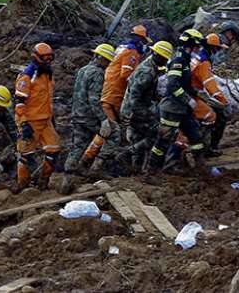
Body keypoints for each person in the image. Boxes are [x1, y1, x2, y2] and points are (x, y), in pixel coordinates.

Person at [147, 29, 207, 173]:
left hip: (183, 109)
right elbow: (173, 84)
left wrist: (197, 93)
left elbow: (185, 85)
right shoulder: (178, 61)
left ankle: (201, 168)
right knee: (163, 141)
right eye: (197, 46)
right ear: (191, 45)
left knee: (195, 135)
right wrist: (188, 99)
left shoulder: (185, 61)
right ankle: (151, 171)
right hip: (172, 109)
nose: (198, 50)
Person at [59, 44, 115, 194]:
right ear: (101, 58)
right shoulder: (97, 73)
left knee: (78, 146)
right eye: (108, 60)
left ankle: (67, 179)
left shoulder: (83, 70)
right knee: (115, 133)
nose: (109, 63)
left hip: (77, 114)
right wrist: (104, 119)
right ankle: (96, 168)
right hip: (89, 117)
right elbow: (94, 100)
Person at [99, 25, 152, 170]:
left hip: (110, 90)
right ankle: (96, 163)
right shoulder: (131, 52)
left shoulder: (122, 48)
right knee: (111, 131)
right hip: (115, 94)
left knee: (112, 129)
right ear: (140, 40)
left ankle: (99, 161)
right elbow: (126, 74)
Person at [117, 41, 174, 173]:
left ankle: (135, 171)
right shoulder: (147, 72)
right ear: (157, 55)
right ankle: (127, 154)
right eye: (164, 58)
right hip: (136, 110)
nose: (165, 62)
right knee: (159, 133)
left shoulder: (151, 67)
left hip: (136, 109)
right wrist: (132, 115)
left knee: (138, 138)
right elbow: (134, 96)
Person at [14, 42, 60, 192]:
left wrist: (51, 117)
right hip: (31, 121)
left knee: (53, 150)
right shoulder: (27, 76)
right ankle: (22, 185)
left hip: (46, 120)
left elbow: (47, 98)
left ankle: (43, 182)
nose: (48, 60)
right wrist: (23, 123)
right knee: (26, 154)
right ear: (36, 57)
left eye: (50, 57)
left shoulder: (48, 74)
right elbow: (19, 103)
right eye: (45, 57)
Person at [191, 33, 232, 156]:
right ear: (213, 48)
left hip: (190, 91)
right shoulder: (204, 63)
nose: (219, 52)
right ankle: (208, 148)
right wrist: (224, 103)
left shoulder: (197, 56)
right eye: (218, 49)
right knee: (218, 115)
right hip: (192, 95)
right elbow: (211, 87)